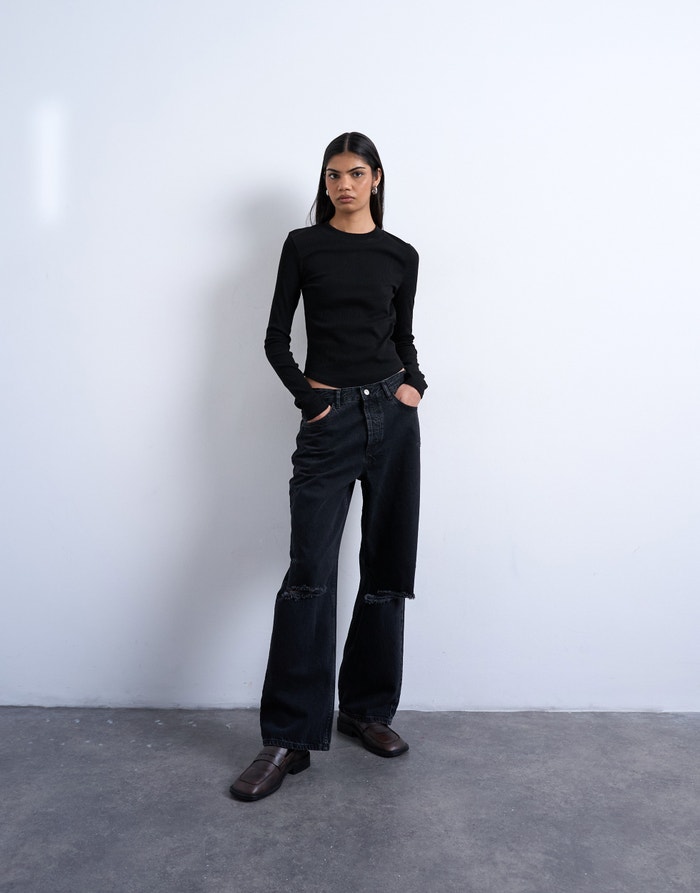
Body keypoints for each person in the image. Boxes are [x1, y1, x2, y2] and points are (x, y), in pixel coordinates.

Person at [230, 132, 427, 802]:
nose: (343, 184)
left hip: (392, 416)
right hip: (329, 419)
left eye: (356, 173)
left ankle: (366, 709)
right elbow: (274, 338)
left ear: (376, 178)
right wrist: (309, 399)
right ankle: (289, 737)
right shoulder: (303, 245)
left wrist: (415, 382)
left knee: (386, 564)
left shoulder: (401, 254)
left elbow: (402, 334)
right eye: (333, 174)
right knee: (309, 572)